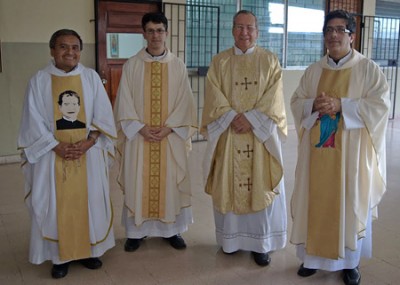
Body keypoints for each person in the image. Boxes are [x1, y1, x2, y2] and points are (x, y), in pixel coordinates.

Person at [290, 10, 390, 285]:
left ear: (352, 36)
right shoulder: (313, 71)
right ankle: (311, 259)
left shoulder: (368, 69)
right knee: (315, 199)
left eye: (340, 30)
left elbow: (380, 106)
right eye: (329, 30)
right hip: (317, 156)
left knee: (349, 202)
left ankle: (350, 264)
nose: (333, 35)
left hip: (351, 158)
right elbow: (296, 101)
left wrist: (342, 106)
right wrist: (312, 105)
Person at [17, 29, 117, 279]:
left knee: (91, 200)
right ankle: (60, 257)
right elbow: (33, 121)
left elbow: (103, 115)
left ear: (80, 51)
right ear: (52, 50)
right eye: (63, 47)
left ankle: (89, 251)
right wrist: (55, 146)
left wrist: (90, 141)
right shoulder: (39, 80)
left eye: (75, 47)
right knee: (52, 205)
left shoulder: (91, 78)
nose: (69, 52)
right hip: (52, 155)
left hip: (88, 155)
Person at [201, 10, 287, 266]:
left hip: (259, 139)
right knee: (228, 183)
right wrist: (230, 117)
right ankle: (231, 241)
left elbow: (275, 97)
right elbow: (213, 94)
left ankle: (260, 244)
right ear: (232, 30)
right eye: (239, 27)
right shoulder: (220, 62)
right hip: (229, 135)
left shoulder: (270, 61)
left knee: (260, 184)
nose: (244, 33)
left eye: (249, 28)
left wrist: (251, 119)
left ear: (257, 31)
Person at [114, 12, 197, 252]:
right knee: (137, 181)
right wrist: (139, 128)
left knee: (170, 182)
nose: (155, 35)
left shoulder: (178, 65)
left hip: (169, 138)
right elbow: (124, 101)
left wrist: (170, 128)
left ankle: (172, 231)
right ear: (143, 34)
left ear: (166, 32)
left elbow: (186, 103)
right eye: (150, 31)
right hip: (139, 138)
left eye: (159, 30)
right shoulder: (132, 64)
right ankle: (136, 232)